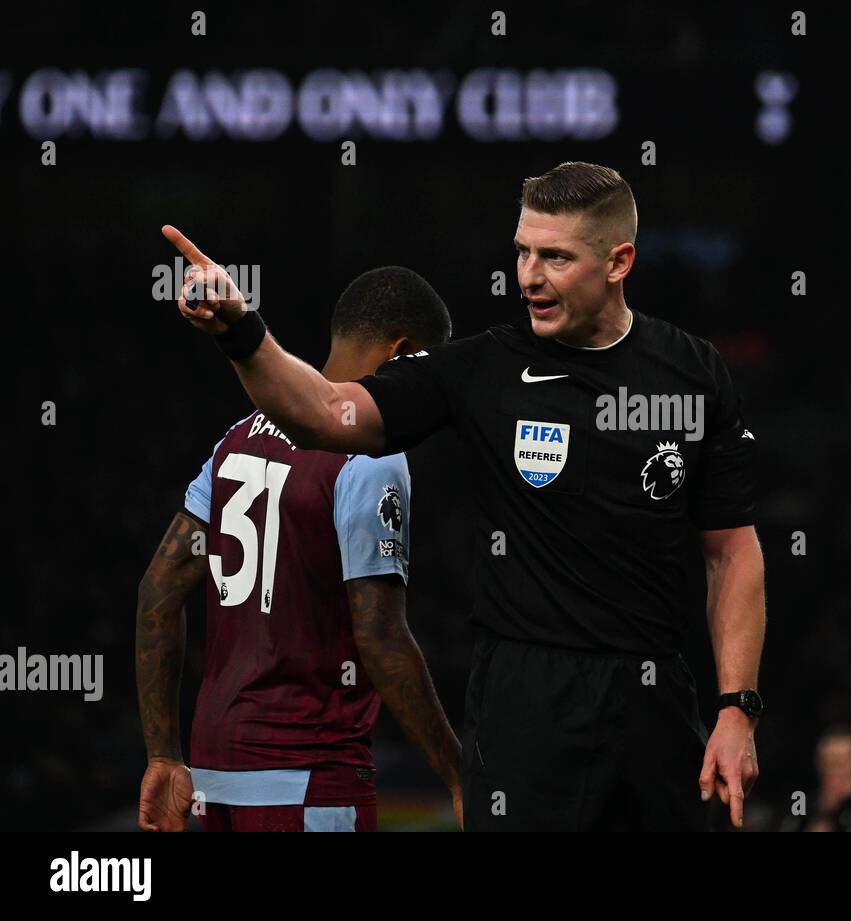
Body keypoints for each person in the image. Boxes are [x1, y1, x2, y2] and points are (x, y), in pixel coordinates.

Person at [159, 161, 766, 831]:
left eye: (556, 257)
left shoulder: (693, 372)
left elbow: (732, 552)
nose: (529, 276)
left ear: (619, 262)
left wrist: (737, 708)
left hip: (656, 702)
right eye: (523, 251)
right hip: (525, 708)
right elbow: (325, 413)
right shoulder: (484, 368)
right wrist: (242, 331)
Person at [136, 266, 463, 832]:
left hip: (215, 778)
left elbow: (157, 593)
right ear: (402, 354)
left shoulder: (238, 438)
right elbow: (380, 636)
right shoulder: (372, 455)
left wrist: (163, 755)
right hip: (310, 779)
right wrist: (459, 774)